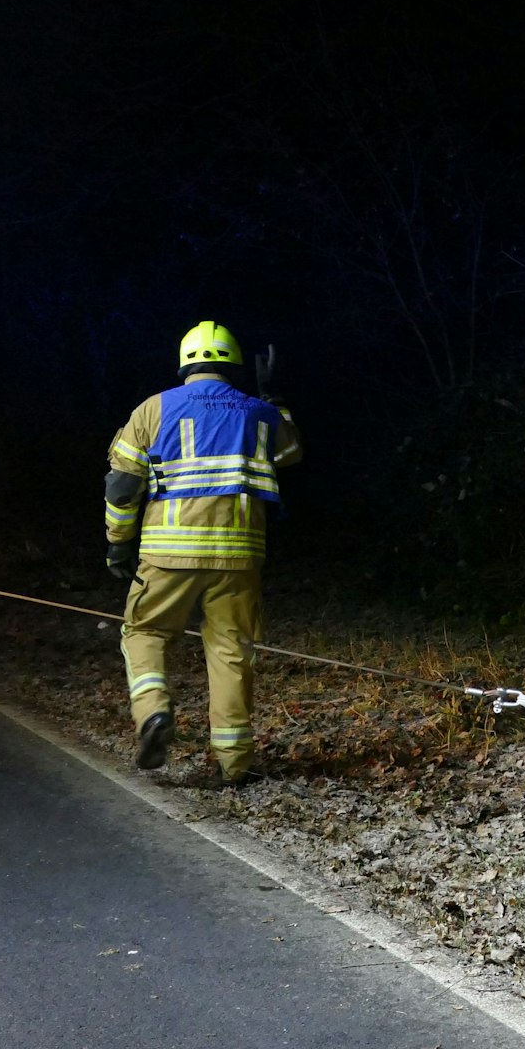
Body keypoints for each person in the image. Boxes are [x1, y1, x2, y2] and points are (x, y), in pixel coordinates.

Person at [104, 321, 303, 787]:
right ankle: (235, 763)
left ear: (183, 363)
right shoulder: (259, 413)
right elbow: (292, 452)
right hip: (239, 557)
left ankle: (153, 714)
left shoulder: (153, 409)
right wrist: (273, 398)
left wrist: (118, 541)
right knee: (232, 650)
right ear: (233, 364)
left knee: (145, 632)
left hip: (167, 553)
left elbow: (122, 482)